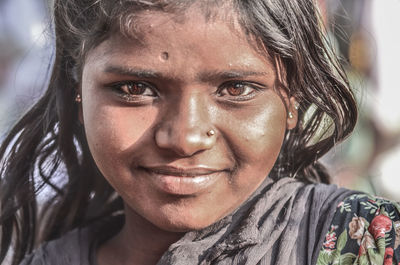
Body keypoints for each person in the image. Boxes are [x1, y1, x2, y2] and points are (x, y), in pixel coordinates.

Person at [0, 0, 399, 264]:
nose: (185, 138)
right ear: (78, 94)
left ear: (292, 99)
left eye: (236, 89)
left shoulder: (367, 241)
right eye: (136, 89)